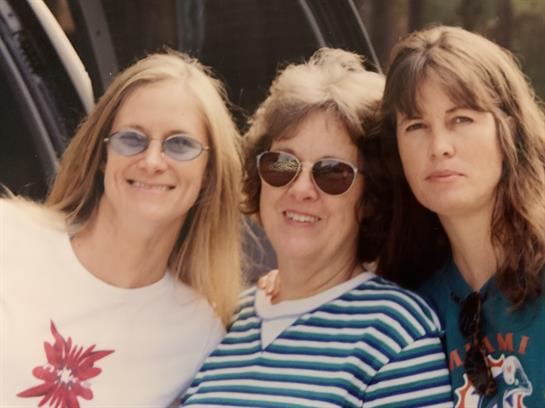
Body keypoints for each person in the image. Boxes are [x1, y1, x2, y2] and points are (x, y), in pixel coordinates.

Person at [182, 48, 453, 407]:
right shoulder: (226, 319)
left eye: (332, 172)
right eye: (282, 164)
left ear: (372, 196)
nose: (300, 189)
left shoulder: (397, 332)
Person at [0, 50, 243, 406]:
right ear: (102, 156)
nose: (152, 161)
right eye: (132, 138)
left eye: (180, 144)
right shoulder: (11, 236)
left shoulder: (200, 335)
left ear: (208, 174)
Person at [363, 25, 545, 407]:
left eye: (461, 119)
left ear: (508, 127)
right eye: (416, 126)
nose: (439, 147)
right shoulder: (407, 302)